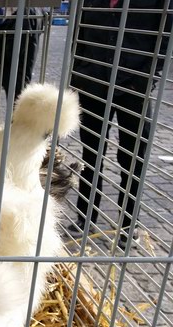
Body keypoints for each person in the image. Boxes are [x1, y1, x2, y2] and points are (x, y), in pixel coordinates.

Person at [68, 0, 171, 249]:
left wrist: (145, 82)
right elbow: (79, 36)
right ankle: (86, 216)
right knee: (91, 154)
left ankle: (128, 224)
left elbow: (164, 41)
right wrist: (79, 73)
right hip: (93, 84)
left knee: (133, 158)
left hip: (134, 89)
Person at [0, 7, 40, 100]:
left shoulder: (26, 14)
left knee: (16, 100)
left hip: (16, 68)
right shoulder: (30, 12)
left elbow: (17, 46)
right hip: (19, 67)